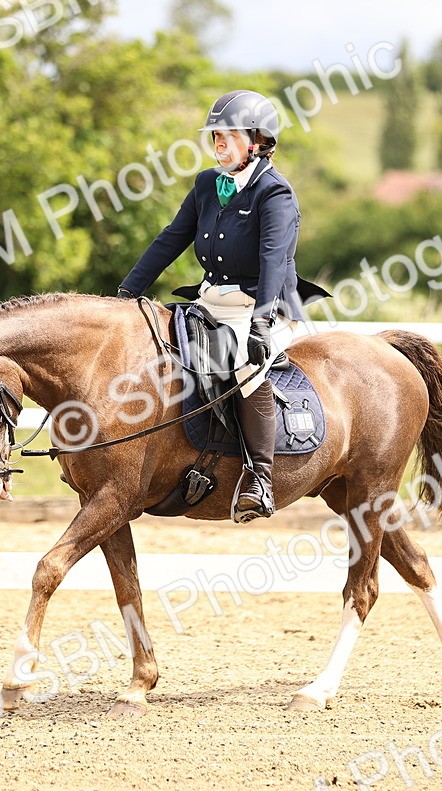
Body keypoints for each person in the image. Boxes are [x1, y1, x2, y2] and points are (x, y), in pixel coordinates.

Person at [117, 89, 330, 521]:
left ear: (257, 141)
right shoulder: (206, 185)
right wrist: (125, 295)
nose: (219, 145)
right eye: (215, 137)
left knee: (245, 367)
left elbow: (273, 260)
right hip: (211, 302)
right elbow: (170, 240)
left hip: (264, 306)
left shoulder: (275, 193)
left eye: (228, 137)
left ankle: (260, 478)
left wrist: (261, 322)